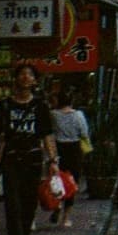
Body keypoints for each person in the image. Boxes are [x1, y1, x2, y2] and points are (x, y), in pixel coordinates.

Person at [0, 64, 58, 235]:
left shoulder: (40, 107)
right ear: (16, 79)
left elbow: (47, 135)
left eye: (30, 75)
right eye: (22, 74)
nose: (26, 78)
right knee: (13, 205)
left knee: (28, 204)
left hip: (33, 160)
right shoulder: (5, 106)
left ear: (35, 81)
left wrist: (53, 161)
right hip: (11, 159)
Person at [50, 87, 91, 225]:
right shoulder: (78, 115)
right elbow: (84, 133)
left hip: (57, 148)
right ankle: (65, 218)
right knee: (72, 182)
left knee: (56, 179)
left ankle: (57, 204)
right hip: (74, 149)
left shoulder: (53, 115)